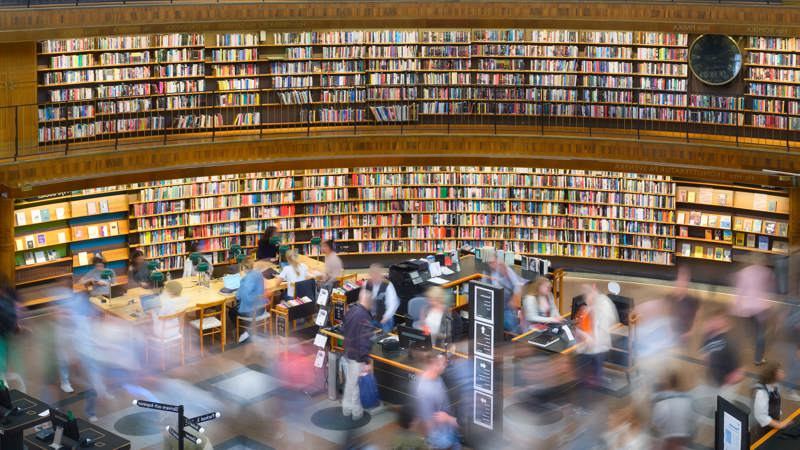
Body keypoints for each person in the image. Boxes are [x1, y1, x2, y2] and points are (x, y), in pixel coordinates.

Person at [575, 284, 619, 388]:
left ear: (593, 290)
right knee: (590, 375)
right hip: (591, 346)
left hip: (596, 347)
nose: (586, 299)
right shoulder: (596, 302)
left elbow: (597, 334)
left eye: (587, 295)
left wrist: (585, 335)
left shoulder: (603, 305)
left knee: (590, 378)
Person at [732, 259, 774, 365]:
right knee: (760, 333)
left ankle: (746, 351)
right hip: (759, 308)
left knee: (750, 332)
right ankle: (758, 358)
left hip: (746, 308)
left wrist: (736, 306)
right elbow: (770, 289)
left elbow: (739, 291)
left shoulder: (744, 272)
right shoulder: (767, 272)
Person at [415, 352, 460, 450]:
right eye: (442, 363)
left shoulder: (437, 378)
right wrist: (435, 440)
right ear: (433, 364)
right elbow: (427, 419)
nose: (445, 366)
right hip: (441, 434)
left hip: (448, 426)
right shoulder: (425, 389)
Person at [342, 288, 374, 421]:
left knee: (351, 383)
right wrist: (366, 360)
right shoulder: (364, 317)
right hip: (357, 356)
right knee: (353, 384)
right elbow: (364, 340)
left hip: (348, 352)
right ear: (367, 300)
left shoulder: (351, 311)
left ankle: (351, 410)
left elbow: (343, 329)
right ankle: (352, 411)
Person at [651, 370, 696, 450]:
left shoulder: (662, 404)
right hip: (686, 439)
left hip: (670, 440)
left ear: (667, 386)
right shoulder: (689, 401)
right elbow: (692, 422)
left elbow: (656, 425)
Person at [700, 308, 743, 387]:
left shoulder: (731, 338)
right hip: (714, 380)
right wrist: (706, 333)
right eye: (714, 320)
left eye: (718, 319)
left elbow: (740, 367)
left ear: (725, 321)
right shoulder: (710, 338)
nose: (714, 322)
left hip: (728, 383)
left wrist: (737, 374)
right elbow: (704, 357)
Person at [484, 250, 524, 334]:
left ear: (497, 259)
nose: (492, 264)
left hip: (506, 303)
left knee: (510, 324)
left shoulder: (505, 269)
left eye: (493, 262)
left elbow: (517, 285)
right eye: (489, 263)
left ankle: (515, 340)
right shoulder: (487, 272)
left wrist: (513, 299)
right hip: (493, 303)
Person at [229, 258, 265, 343]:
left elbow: (238, 297)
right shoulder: (259, 274)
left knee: (231, 312)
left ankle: (243, 332)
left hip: (252, 311)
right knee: (239, 305)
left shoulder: (244, 280)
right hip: (261, 308)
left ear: (244, 268)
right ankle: (247, 327)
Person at [752, 362, 786, 439]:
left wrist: (778, 412)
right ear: (774, 375)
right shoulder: (762, 393)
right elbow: (760, 416)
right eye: (780, 371)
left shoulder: (775, 385)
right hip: (763, 430)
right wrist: (779, 425)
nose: (783, 372)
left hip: (772, 425)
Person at [365, 264, 400, 333]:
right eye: (372, 274)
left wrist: (386, 317)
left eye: (376, 274)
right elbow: (362, 300)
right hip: (371, 318)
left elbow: (393, 304)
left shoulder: (387, 285)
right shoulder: (366, 283)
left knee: (384, 339)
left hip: (385, 319)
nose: (374, 276)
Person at [669, 266, 699, 344]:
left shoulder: (693, 301)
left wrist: (688, 334)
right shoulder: (670, 298)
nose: (682, 282)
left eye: (685, 279)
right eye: (681, 278)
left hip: (683, 339)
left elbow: (696, 321)